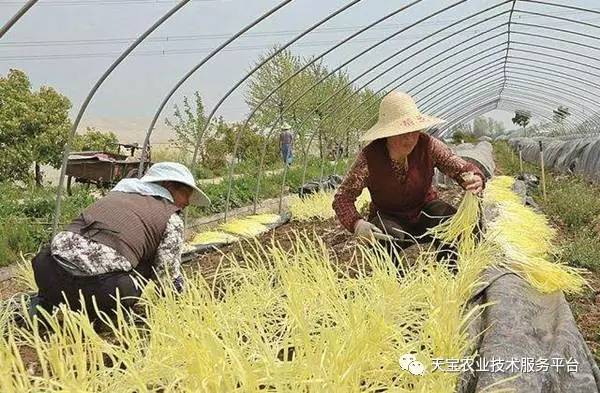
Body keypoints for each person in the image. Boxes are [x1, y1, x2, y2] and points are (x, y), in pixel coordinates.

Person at [29, 162, 210, 320]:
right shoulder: (170, 218)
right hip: (101, 293)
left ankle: (43, 303)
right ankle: (112, 316)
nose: (187, 202)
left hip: (46, 275)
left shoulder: (114, 196)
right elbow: (166, 277)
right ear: (168, 186)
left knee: (55, 252)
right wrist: (181, 309)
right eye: (186, 194)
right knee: (149, 263)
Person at [332, 91, 485, 266]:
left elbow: (458, 166)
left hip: (425, 210)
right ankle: (395, 284)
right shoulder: (370, 157)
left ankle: (451, 272)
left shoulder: (428, 145)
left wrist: (475, 176)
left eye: (414, 131)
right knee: (382, 235)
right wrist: (357, 224)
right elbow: (342, 198)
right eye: (402, 132)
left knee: (452, 222)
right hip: (390, 217)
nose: (410, 138)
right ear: (387, 133)